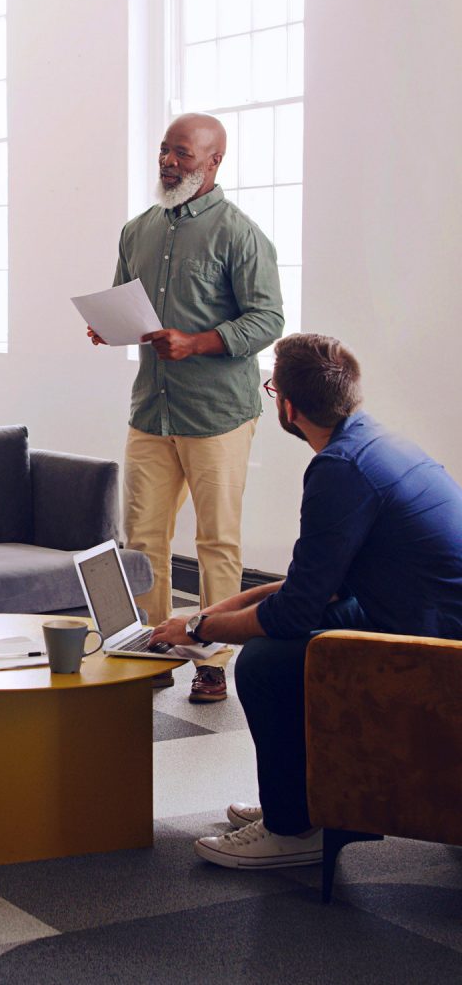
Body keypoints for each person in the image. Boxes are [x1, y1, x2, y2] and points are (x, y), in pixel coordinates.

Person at [147, 333, 462, 868]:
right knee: (293, 637)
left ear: (287, 407)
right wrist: (211, 615)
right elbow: (312, 587)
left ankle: (294, 829)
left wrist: (201, 633)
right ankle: (304, 801)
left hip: (438, 648)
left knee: (269, 663)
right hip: (420, 614)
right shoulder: (370, 443)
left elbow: (294, 611)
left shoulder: (339, 470)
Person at [89, 112, 285, 703]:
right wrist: (110, 327)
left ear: (214, 161)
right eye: (164, 151)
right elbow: (128, 302)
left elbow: (268, 319)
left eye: (182, 154)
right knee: (142, 537)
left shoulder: (240, 233)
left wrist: (197, 342)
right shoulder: (137, 230)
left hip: (218, 413)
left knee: (216, 541)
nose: (169, 162)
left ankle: (211, 658)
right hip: (152, 409)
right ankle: (151, 648)